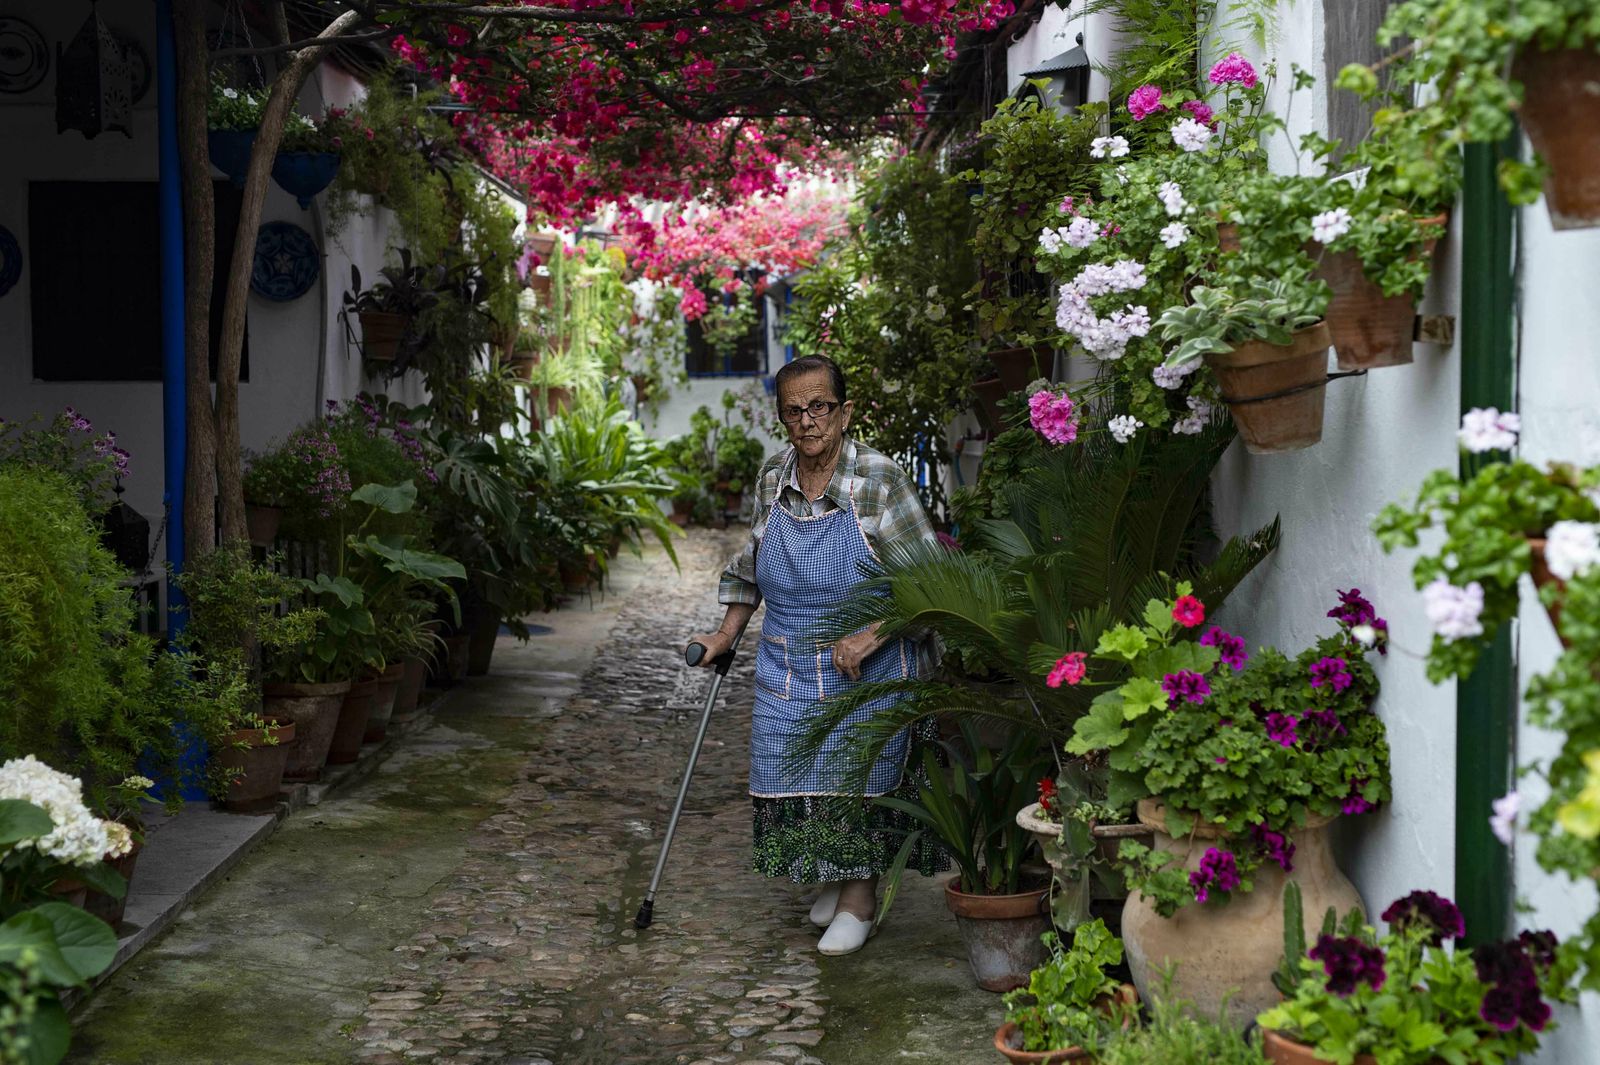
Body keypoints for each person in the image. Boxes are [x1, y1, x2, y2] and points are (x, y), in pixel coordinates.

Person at [688, 354, 947, 956]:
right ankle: (837, 877)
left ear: (844, 411)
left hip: (870, 661)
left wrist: (874, 633)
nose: (807, 421)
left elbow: (932, 579)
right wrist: (725, 635)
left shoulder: (878, 479)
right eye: (793, 411)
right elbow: (753, 565)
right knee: (793, 766)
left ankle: (860, 897)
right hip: (790, 658)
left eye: (819, 407)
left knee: (856, 774)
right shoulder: (772, 476)